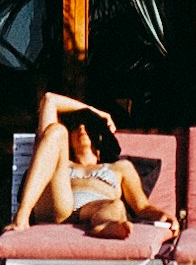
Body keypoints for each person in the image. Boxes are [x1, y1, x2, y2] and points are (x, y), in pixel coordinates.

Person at [11, 92, 154, 236]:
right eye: (76, 127)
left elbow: (142, 207)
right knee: (56, 130)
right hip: (58, 204)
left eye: (88, 127)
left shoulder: (121, 167)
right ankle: (22, 214)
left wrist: (161, 216)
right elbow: (49, 99)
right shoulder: (59, 161)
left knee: (116, 205)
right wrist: (95, 112)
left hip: (94, 210)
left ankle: (107, 225)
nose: (81, 129)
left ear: (100, 137)